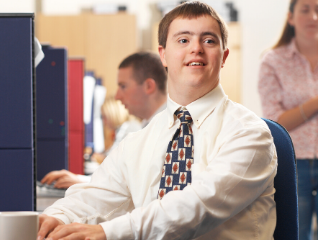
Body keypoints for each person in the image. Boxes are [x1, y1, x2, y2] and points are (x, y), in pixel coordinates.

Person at [38, 2, 277, 239]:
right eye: (183, 40)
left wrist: (107, 231)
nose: (196, 48)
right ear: (163, 55)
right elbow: (95, 196)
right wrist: (56, 218)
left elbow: (196, 204)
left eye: (209, 40)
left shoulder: (249, 132)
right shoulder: (139, 140)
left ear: (223, 56)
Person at [40, 51, 168, 188]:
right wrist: (83, 181)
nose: (118, 96)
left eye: (123, 86)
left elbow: (137, 186)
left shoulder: (169, 129)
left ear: (149, 86)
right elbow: (124, 178)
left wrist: (83, 182)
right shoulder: (149, 127)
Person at [258, 0, 318, 239]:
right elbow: (275, 124)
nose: (313, 17)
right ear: (291, 17)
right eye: (305, 10)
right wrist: (315, 103)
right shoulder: (272, 61)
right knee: (295, 233)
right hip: (294, 164)